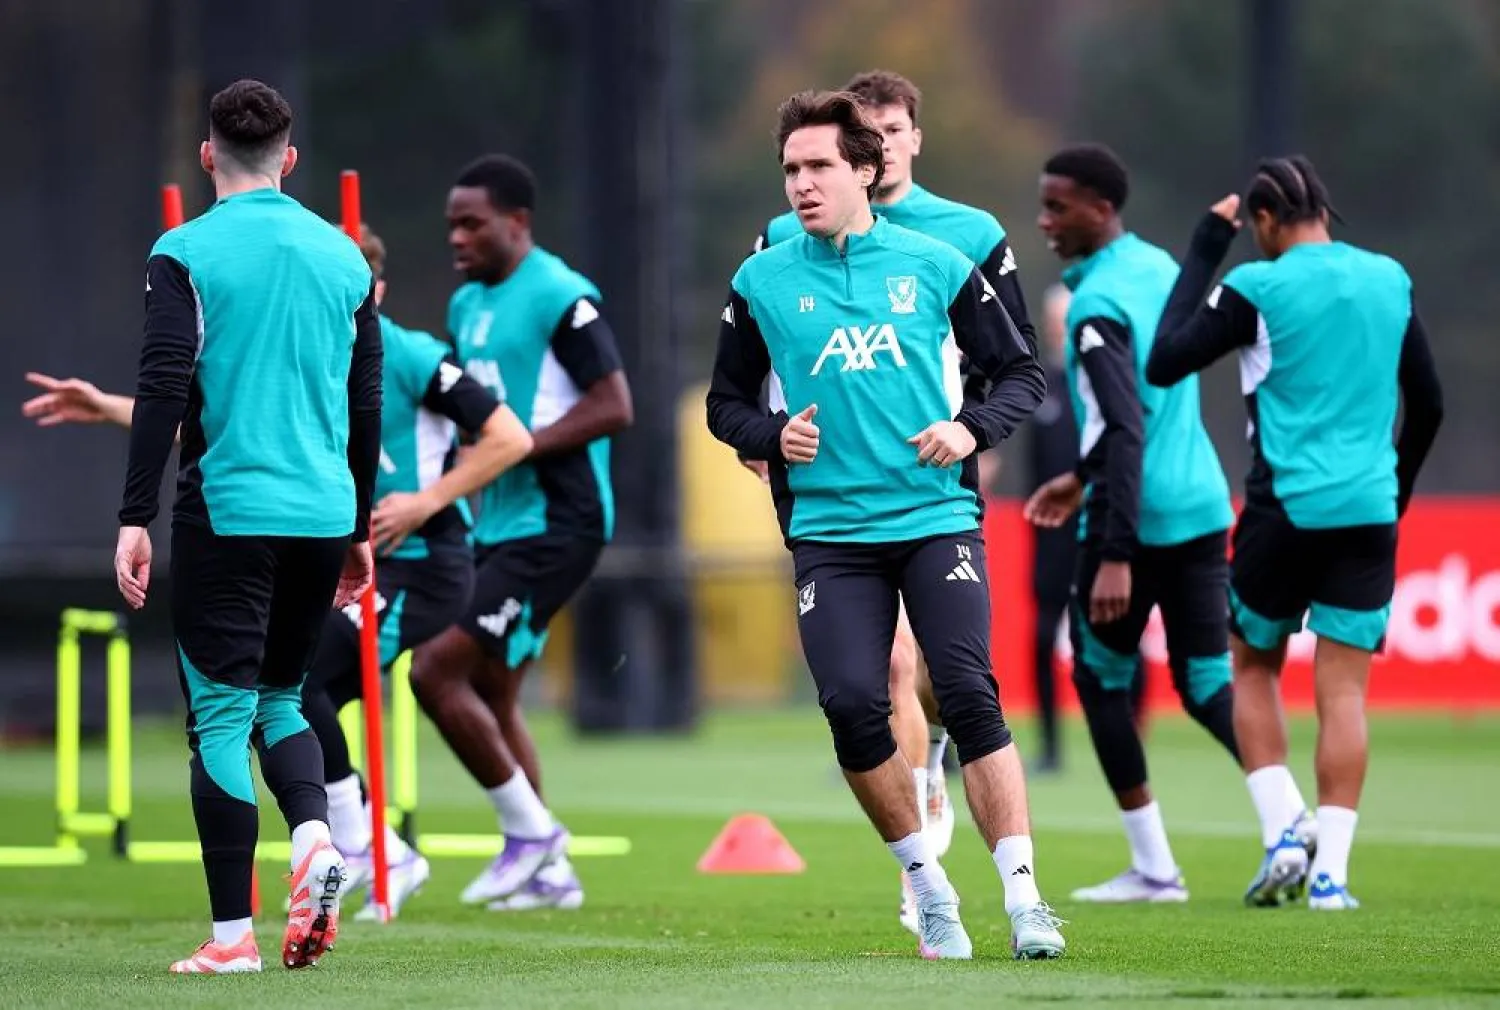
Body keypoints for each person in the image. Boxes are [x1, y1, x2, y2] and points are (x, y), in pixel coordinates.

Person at [25, 224, 536, 919]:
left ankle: (372, 846)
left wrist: (422, 502)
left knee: (295, 681)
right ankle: (367, 841)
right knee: (286, 692)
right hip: (344, 554)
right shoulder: (304, 353)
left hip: (422, 567)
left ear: (369, 292)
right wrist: (108, 408)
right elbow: (211, 425)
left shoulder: (409, 355)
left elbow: (510, 435)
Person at [708, 89, 1063, 960]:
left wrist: (969, 428)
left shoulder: (938, 262)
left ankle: (1026, 901)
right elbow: (725, 403)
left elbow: (1021, 373)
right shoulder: (761, 279)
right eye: (791, 169)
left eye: (819, 166)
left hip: (936, 517)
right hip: (830, 533)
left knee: (968, 692)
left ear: (865, 170)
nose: (802, 184)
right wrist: (770, 434)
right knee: (853, 707)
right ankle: (930, 890)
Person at [114, 79, 379, 974]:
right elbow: (365, 401)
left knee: (223, 715)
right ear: (289, 160)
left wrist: (134, 515)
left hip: (228, 509)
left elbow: (162, 385)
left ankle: (232, 939)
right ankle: (315, 837)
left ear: (207, 155)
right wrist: (357, 529)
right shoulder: (345, 257)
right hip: (323, 512)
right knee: (280, 698)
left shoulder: (183, 251)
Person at [1146, 156, 1444, 909]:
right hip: (1368, 513)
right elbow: (1430, 403)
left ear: (1265, 220)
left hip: (1284, 513)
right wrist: (1396, 491)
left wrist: (1206, 248)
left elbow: (1165, 360)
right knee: (1344, 695)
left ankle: (1284, 831)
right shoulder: (1390, 278)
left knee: (1252, 666)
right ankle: (1331, 878)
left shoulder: (1257, 286)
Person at [1024, 143, 1253, 903]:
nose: (1044, 220)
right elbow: (1153, 398)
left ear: (1100, 207)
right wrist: (1076, 477)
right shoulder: (1159, 268)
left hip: (1134, 512)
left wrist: (1115, 548)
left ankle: (1155, 867)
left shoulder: (1096, 303)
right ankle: (1294, 822)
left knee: (1099, 677)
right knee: (1209, 681)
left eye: (1057, 206)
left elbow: (1125, 426)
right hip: (1201, 500)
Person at [420, 153, 633, 910]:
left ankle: (533, 837)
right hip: (498, 521)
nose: (457, 237)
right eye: (451, 225)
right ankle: (549, 872)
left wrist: (518, 447)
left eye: (472, 224)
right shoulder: (465, 304)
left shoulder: (562, 296)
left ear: (517, 222)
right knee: (492, 690)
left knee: (433, 672)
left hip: (559, 521)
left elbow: (614, 405)